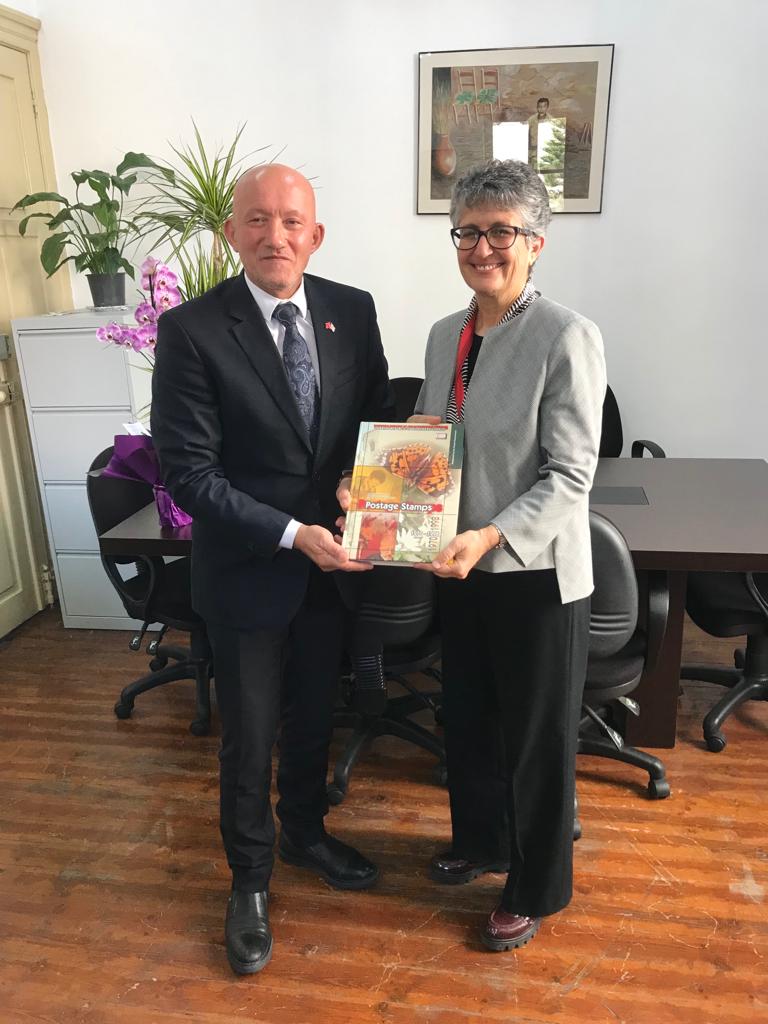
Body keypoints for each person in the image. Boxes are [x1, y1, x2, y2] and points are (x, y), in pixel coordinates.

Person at [150, 164, 395, 976]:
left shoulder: (351, 310)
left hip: (335, 567)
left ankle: (306, 835)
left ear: (315, 235)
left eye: (291, 221)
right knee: (249, 739)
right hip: (250, 569)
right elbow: (191, 474)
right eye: (256, 219)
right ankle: (249, 881)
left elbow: (374, 422)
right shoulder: (192, 330)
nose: (275, 235)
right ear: (233, 232)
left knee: (315, 716)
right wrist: (293, 533)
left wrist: (362, 480)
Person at [412, 159, 606, 951]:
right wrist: (377, 489)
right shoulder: (444, 334)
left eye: (501, 231)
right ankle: (482, 841)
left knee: (534, 739)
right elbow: (428, 439)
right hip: (457, 567)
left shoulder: (565, 334)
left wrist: (490, 535)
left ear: (535, 243)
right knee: (469, 718)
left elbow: (571, 477)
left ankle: (534, 885)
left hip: (534, 573)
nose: (482, 247)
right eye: (468, 231)